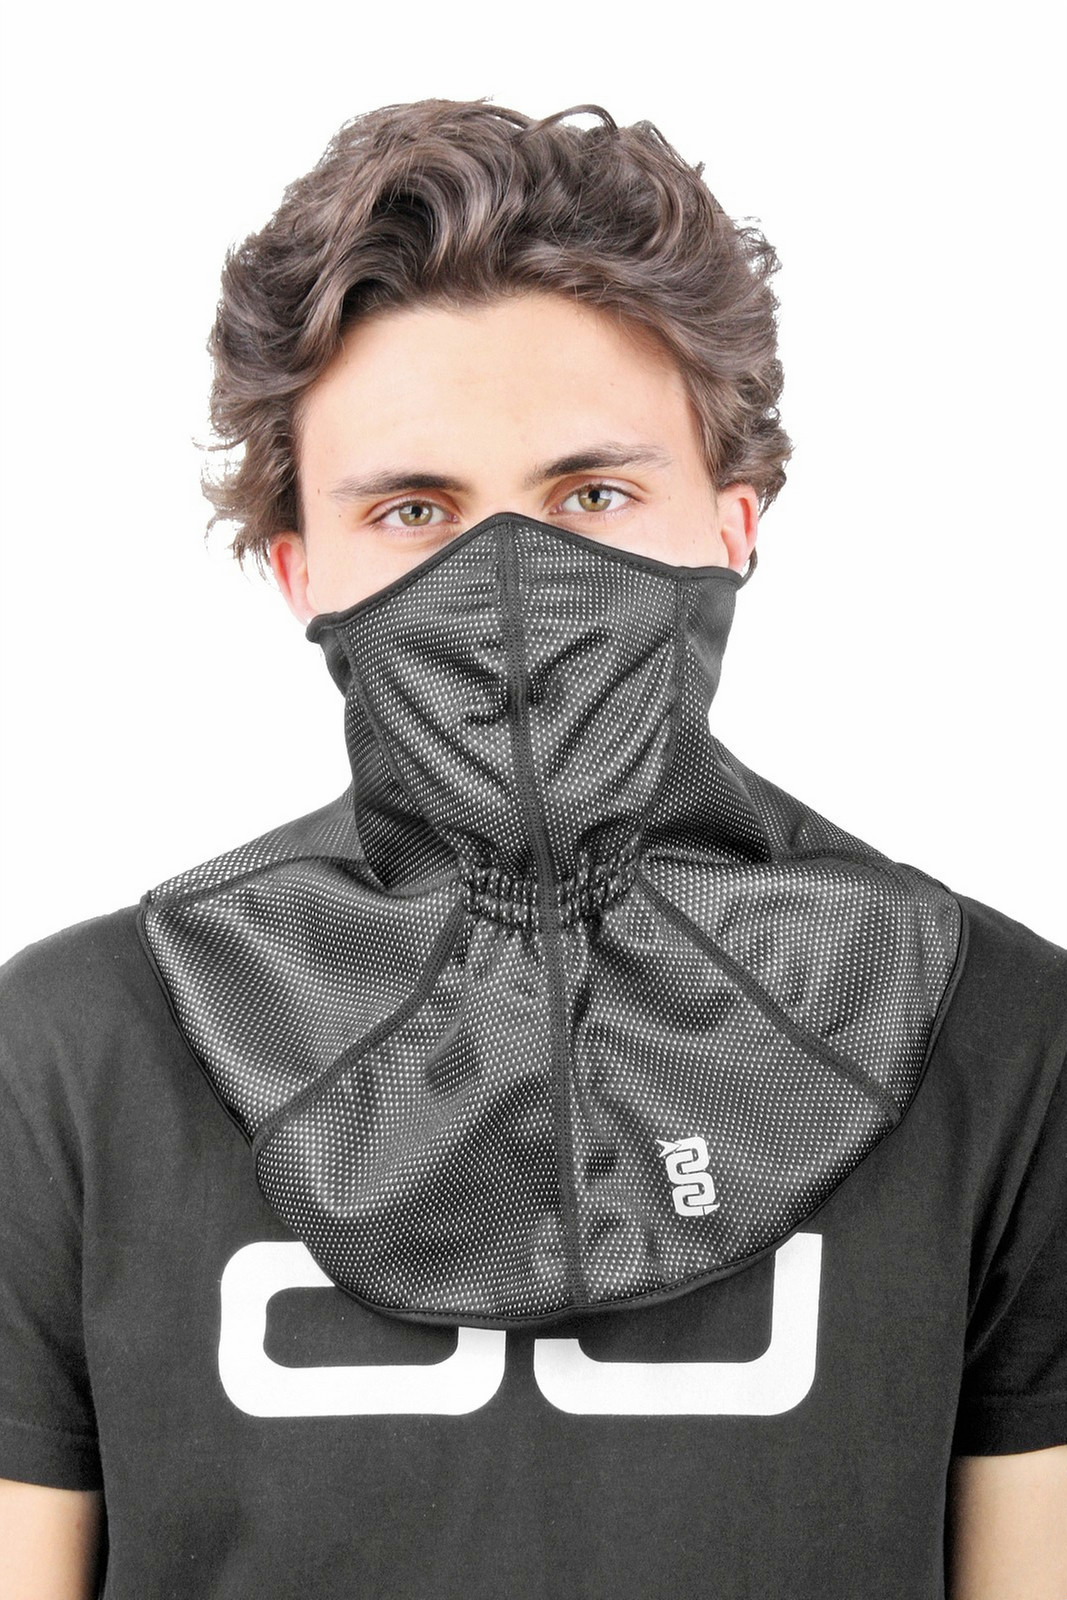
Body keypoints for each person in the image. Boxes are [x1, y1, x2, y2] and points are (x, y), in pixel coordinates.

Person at [1, 97, 1064, 1600]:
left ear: (734, 523)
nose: (510, 582)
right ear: (300, 570)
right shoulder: (75, 1053)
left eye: (592, 494)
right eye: (413, 508)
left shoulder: (1003, 1041)